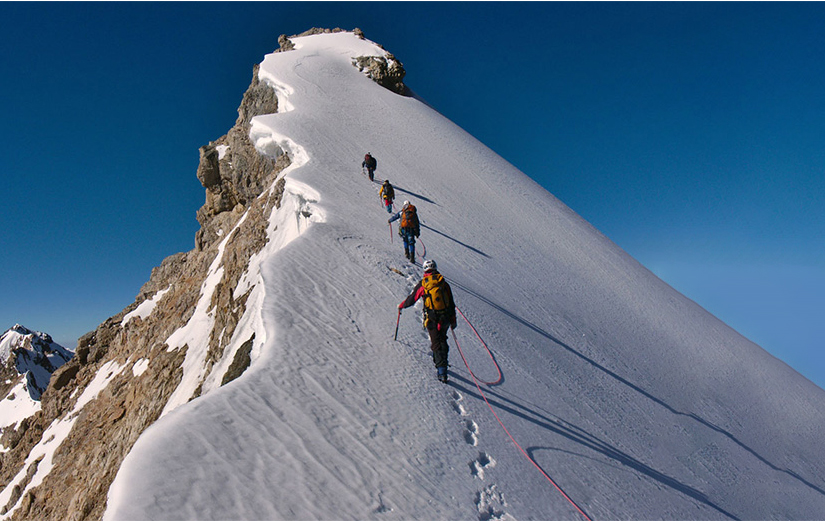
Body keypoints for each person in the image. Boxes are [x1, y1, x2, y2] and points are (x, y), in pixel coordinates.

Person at [398, 259, 457, 383]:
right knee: (442, 339)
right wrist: (453, 320)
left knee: (436, 343)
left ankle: (442, 371)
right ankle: (442, 362)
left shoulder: (424, 284)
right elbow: (451, 303)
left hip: (432, 318)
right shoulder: (443, 283)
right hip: (445, 317)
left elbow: (413, 298)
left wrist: (402, 305)